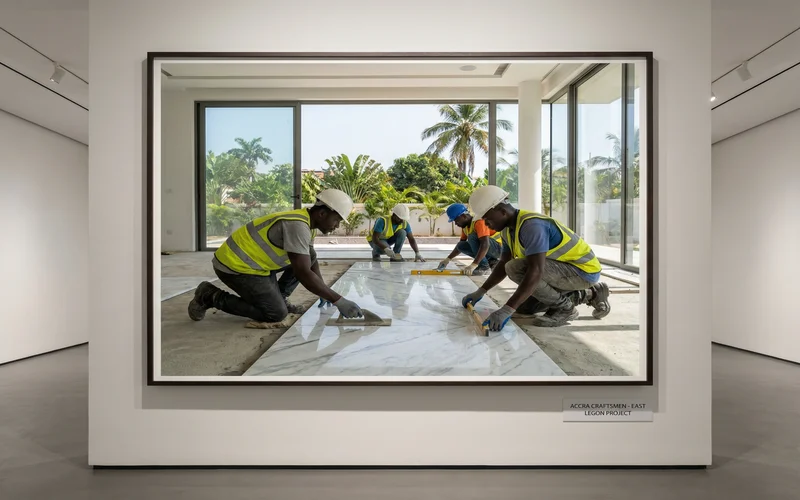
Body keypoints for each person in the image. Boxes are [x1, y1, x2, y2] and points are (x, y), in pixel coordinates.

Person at [188, 189, 365, 324]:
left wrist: (325, 292)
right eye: (337, 220)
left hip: (255, 265)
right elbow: (303, 273)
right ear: (322, 214)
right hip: (235, 267)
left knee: (308, 256)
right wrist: (337, 300)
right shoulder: (297, 226)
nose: (337, 226)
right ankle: (209, 295)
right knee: (275, 314)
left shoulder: (306, 222)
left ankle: (278, 298)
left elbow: (311, 261)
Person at [460, 185, 611, 331]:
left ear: (502, 211)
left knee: (516, 268)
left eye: (487, 219)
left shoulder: (532, 226)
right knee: (526, 308)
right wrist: (481, 291)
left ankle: (566, 309)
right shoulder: (508, 230)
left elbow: (536, 271)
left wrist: (506, 309)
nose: (486, 223)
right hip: (561, 272)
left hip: (583, 271)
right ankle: (592, 294)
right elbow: (502, 263)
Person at [437, 203, 502, 276]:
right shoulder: (465, 227)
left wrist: (474, 265)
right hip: (491, 249)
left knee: (472, 237)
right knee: (461, 245)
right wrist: (447, 259)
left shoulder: (479, 222)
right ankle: (491, 261)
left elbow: (485, 244)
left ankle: (484, 267)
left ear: (463, 216)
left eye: (456, 220)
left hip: (500, 249)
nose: (456, 224)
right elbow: (460, 246)